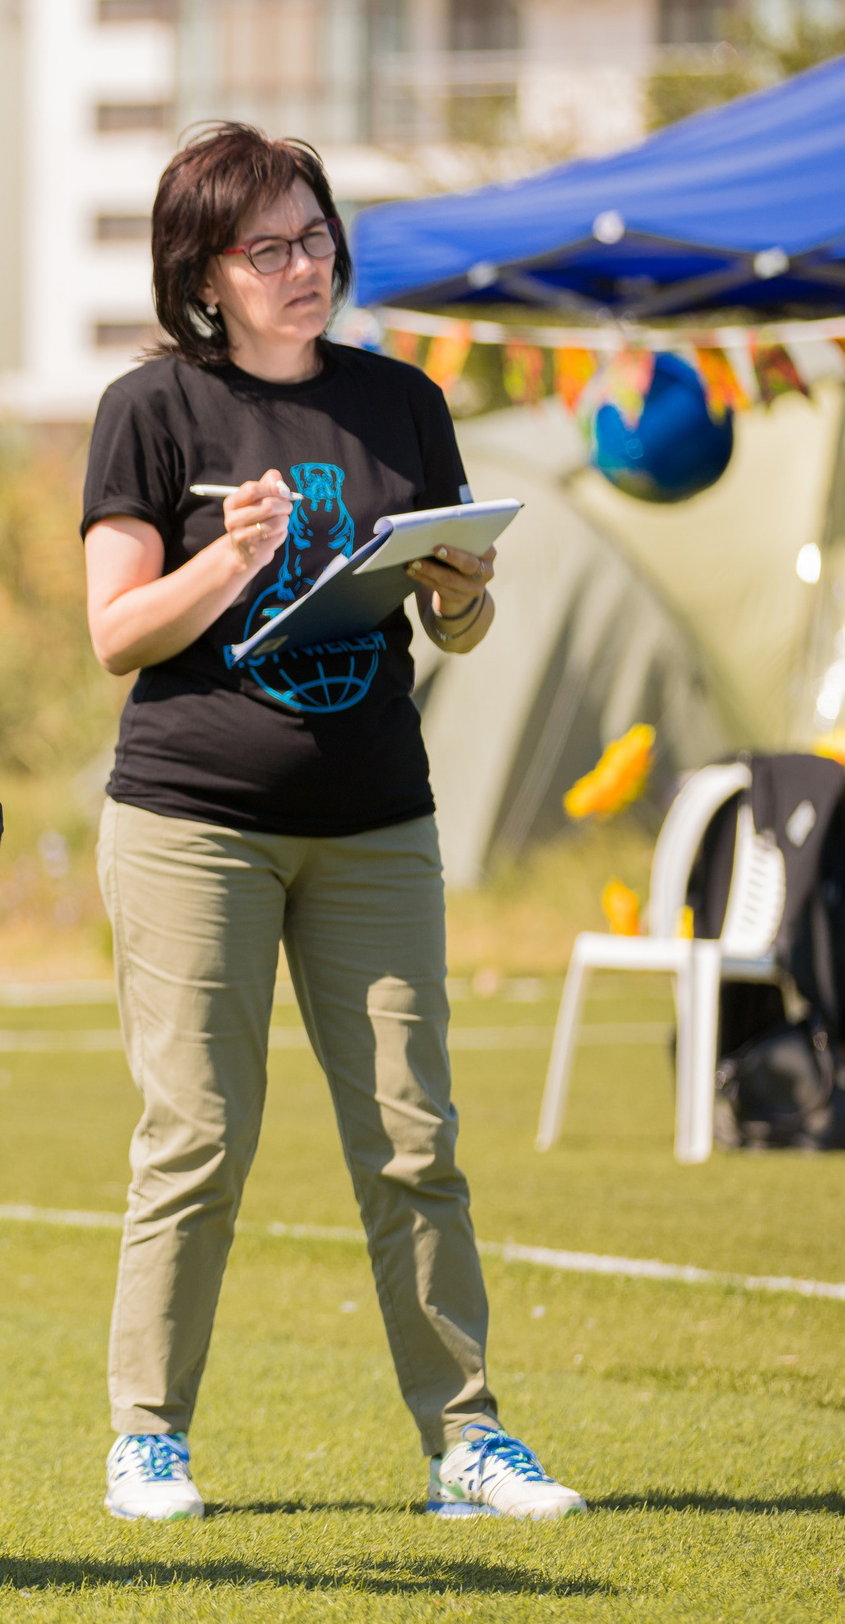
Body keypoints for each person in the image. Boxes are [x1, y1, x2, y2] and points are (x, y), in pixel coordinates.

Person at [79, 124, 582, 1524]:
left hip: (377, 823)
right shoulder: (152, 411)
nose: (305, 268)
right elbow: (118, 635)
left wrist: (463, 589)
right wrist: (228, 558)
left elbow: (455, 631)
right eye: (270, 248)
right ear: (206, 272)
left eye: (317, 238)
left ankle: (467, 1445)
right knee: (197, 1135)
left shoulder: (402, 402)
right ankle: (149, 1441)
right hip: (195, 821)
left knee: (415, 1139)